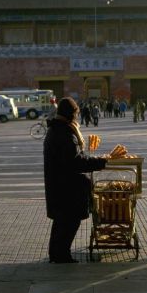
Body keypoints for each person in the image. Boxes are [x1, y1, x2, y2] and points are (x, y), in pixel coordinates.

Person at [44, 97, 107, 264]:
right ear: (71, 114)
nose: (77, 117)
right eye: (76, 113)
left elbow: (74, 157)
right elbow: (75, 162)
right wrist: (100, 162)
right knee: (69, 222)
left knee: (61, 222)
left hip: (59, 186)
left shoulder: (57, 129)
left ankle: (56, 254)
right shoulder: (64, 133)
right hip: (66, 188)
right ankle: (61, 256)